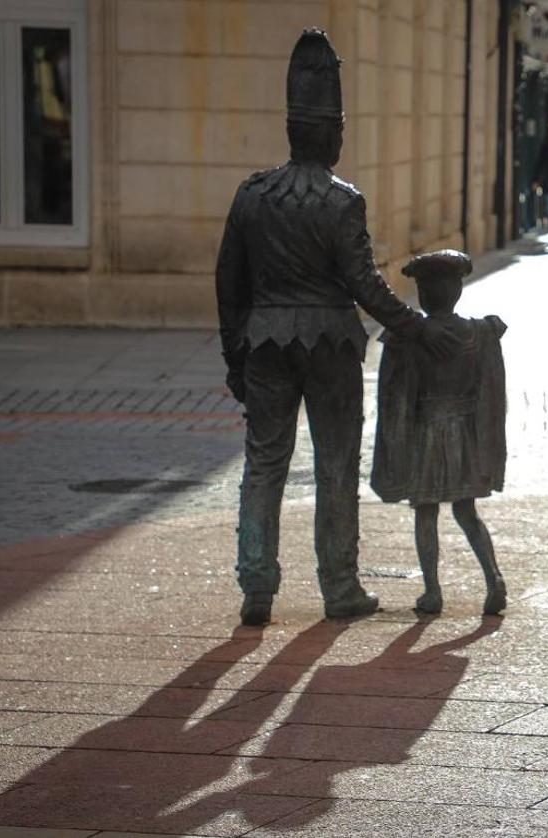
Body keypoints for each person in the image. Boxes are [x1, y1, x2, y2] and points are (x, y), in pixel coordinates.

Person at [215, 29, 456, 627]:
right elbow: (364, 285)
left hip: (265, 343)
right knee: (335, 464)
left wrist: (234, 356)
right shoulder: (342, 200)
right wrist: (417, 327)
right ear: (333, 134)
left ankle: (257, 584)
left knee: (264, 463)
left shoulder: (253, 194)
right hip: (331, 347)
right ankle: (339, 585)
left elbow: (229, 284)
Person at [371, 250, 508, 616]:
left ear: (423, 294)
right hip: (465, 435)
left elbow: (396, 394)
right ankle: (493, 578)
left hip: (427, 436)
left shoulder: (410, 338)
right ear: (457, 292)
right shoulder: (479, 332)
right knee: (467, 512)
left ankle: (432, 591)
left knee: (426, 513)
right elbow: (490, 392)